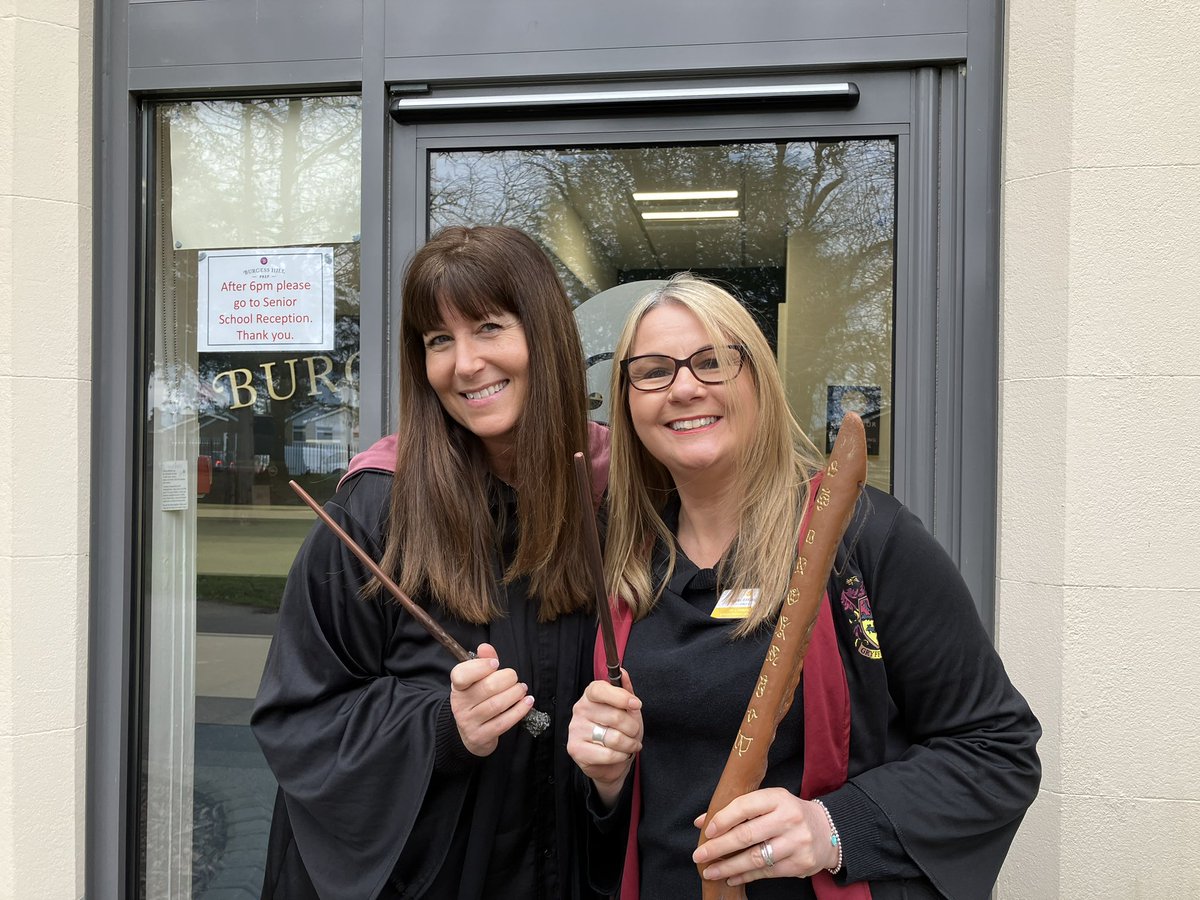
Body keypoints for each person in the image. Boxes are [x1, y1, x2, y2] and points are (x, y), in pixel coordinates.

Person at [568, 273, 1041, 899]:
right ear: (628, 402)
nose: (684, 388)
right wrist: (606, 776)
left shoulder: (865, 539)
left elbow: (998, 750)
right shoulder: (621, 569)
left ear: (758, 380)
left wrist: (831, 827)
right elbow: (621, 815)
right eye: (653, 371)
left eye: (712, 362)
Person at [252, 224, 612, 900]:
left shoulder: (618, 499)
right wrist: (440, 728)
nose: (464, 363)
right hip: (427, 877)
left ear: (548, 338)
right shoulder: (378, 514)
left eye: (488, 328)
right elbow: (299, 718)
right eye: (438, 340)